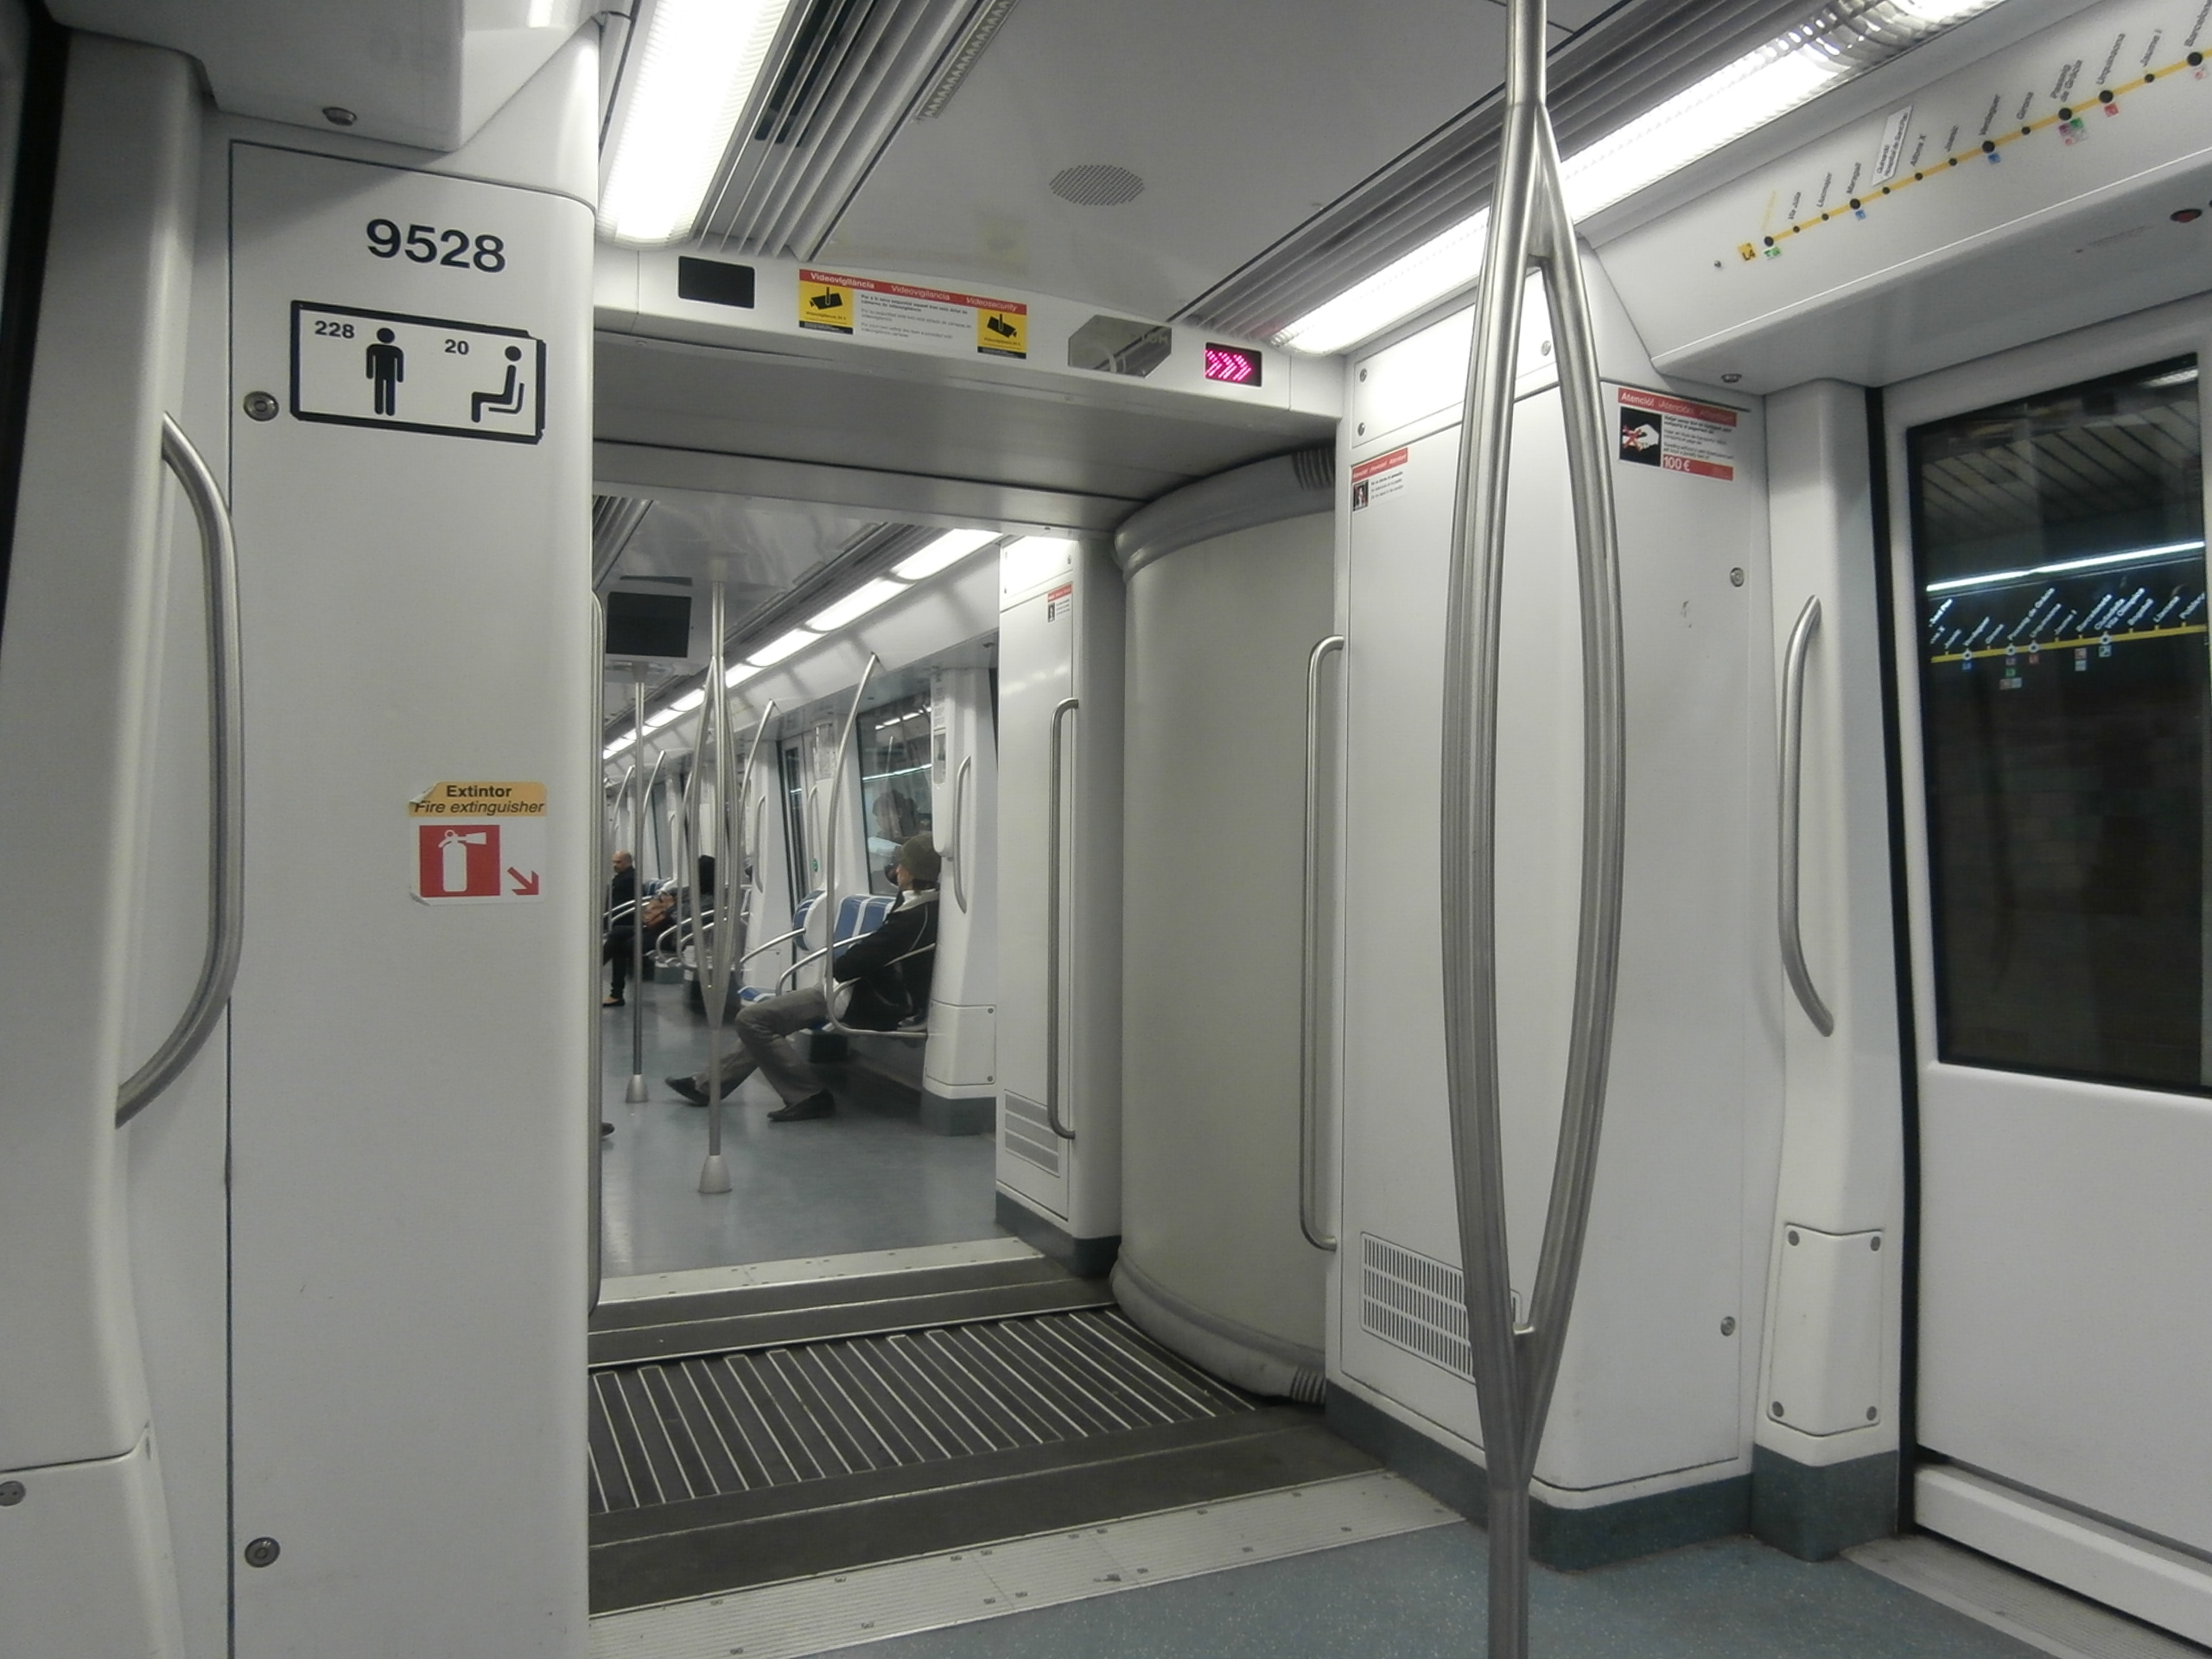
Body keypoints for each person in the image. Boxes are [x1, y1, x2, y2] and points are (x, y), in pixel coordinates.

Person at [667, 832, 941, 1122]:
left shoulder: (913, 918)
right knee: (763, 1022)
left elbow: (848, 966)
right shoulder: (918, 905)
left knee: (752, 1020)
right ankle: (706, 1086)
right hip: (862, 991)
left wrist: (843, 962)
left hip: (867, 999)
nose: (897, 870)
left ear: (913, 872)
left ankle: (809, 1096)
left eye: (902, 865)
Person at [603, 887, 674, 1007]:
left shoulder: (702, 902)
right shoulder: (685, 893)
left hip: (672, 936)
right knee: (618, 931)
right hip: (657, 929)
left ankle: (615, 993)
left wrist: (671, 907)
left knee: (624, 945)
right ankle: (596, 971)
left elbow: (685, 924)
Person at [602, 851, 638, 1007]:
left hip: (627, 922)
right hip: (621, 922)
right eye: (614, 862)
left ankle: (595, 967)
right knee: (619, 948)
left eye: (619, 862)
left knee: (616, 940)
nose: (615, 865)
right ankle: (616, 993)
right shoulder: (623, 878)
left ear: (628, 862)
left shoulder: (628, 880)